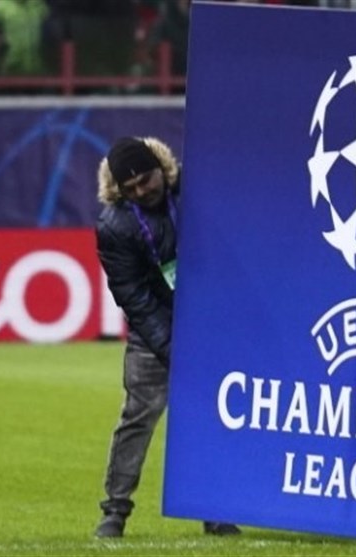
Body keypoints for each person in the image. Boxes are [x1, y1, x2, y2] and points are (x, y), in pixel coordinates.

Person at [94, 136, 240, 538]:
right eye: (132, 188)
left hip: (211, 325)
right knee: (138, 418)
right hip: (154, 334)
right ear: (120, 190)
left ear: (161, 168)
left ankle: (213, 510)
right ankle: (114, 512)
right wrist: (173, 347)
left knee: (212, 415)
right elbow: (134, 297)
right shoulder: (115, 225)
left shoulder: (197, 189)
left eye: (147, 179)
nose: (143, 191)